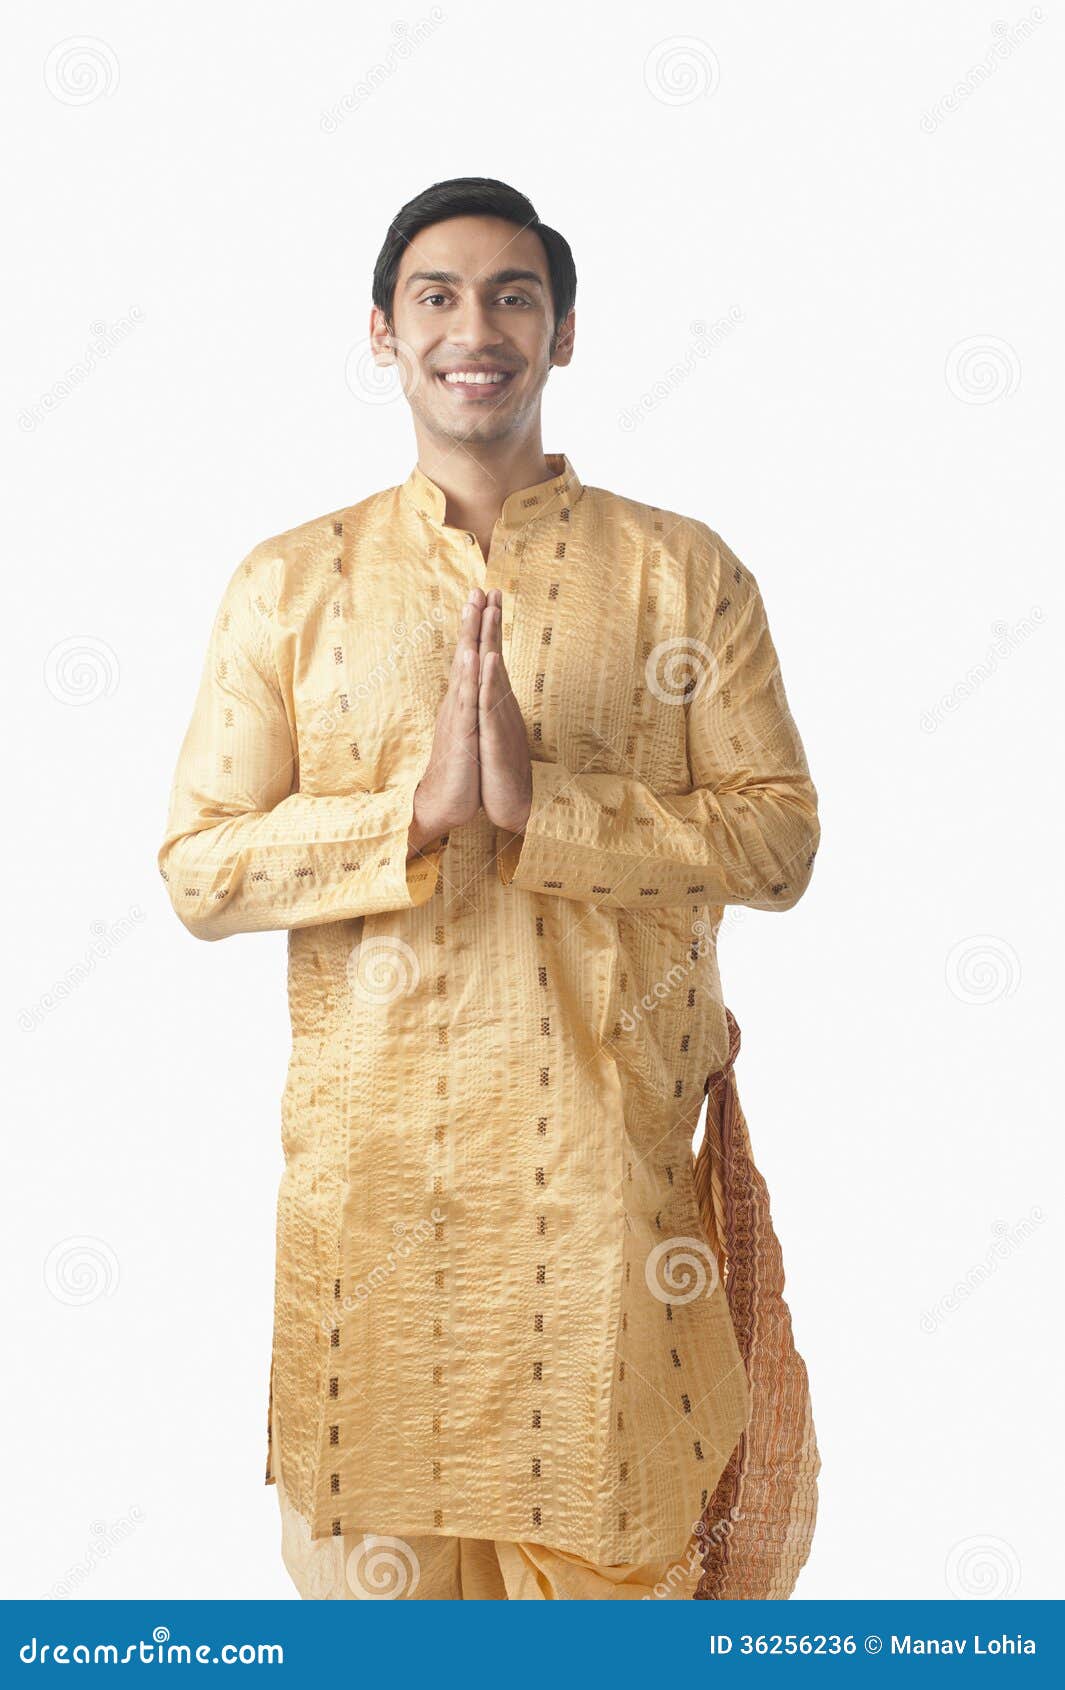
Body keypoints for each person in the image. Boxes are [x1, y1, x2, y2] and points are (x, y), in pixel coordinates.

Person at [158, 176, 822, 1601]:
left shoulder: (679, 576)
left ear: (563, 332)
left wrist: (547, 807)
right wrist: (412, 814)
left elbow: (780, 845)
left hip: (602, 1236)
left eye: (514, 295)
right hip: (370, 1232)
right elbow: (200, 867)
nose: (478, 327)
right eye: (438, 297)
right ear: (385, 335)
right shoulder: (291, 583)